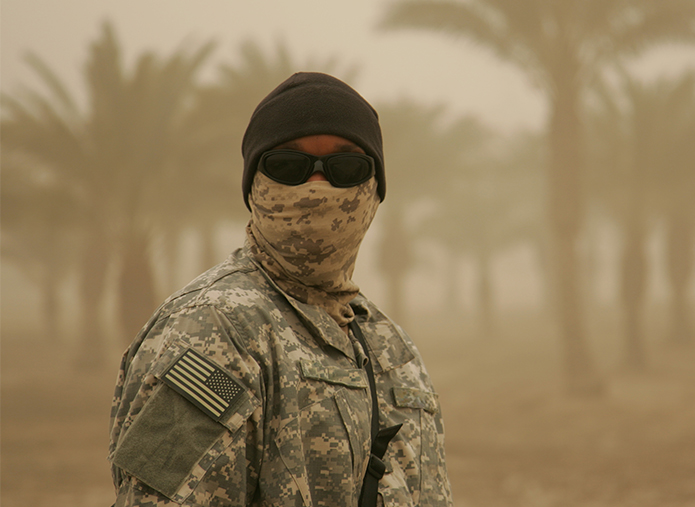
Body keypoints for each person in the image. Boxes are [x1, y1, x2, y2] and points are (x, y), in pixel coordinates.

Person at [108, 72, 453, 506]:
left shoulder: (390, 347)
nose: (317, 187)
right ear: (254, 186)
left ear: (375, 190)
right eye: (289, 166)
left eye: (346, 168)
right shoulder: (213, 329)